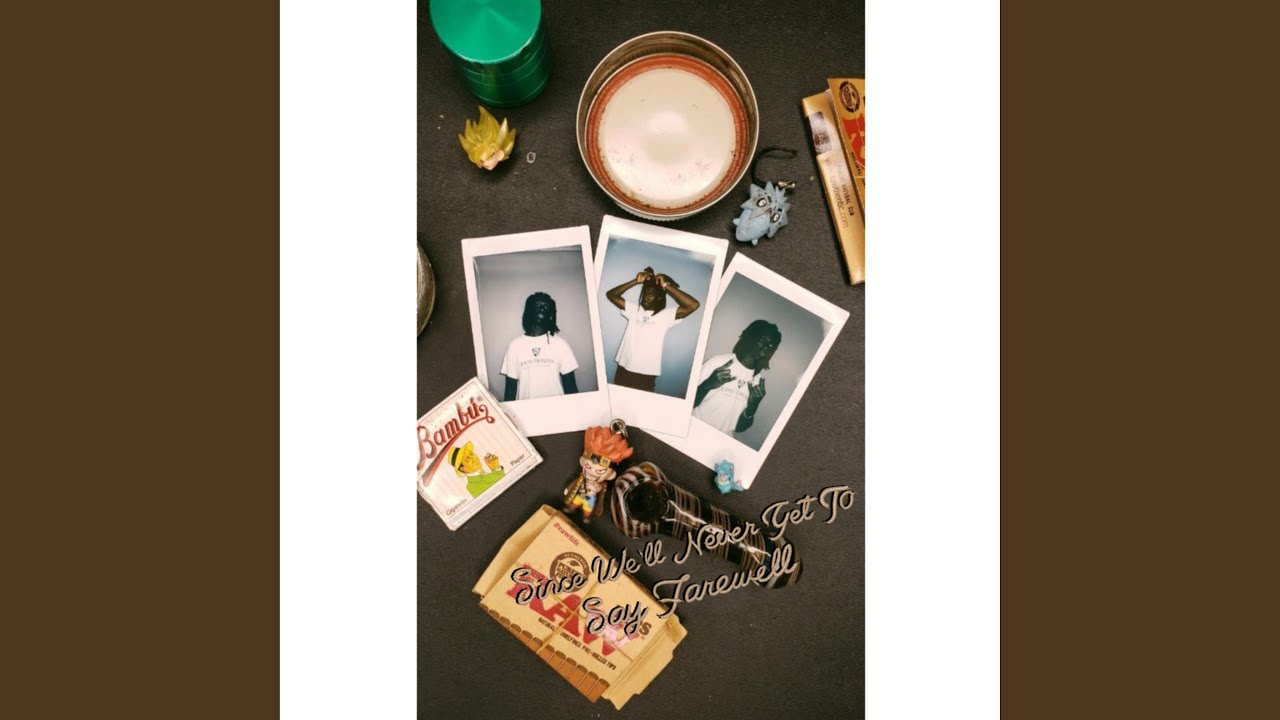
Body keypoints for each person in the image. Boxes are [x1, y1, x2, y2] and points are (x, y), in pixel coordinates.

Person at [604, 266, 701, 392]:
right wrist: (635, 281)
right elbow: (611, 295)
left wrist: (665, 285)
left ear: (659, 297)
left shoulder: (666, 315)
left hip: (646, 374)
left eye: (650, 295)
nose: (645, 297)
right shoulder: (634, 310)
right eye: (644, 293)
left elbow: (693, 305)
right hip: (624, 368)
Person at [693, 320, 782, 434]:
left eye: (771, 345)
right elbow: (688, 403)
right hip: (696, 428)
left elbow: (740, 428)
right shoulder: (718, 362)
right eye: (763, 341)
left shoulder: (758, 381)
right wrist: (708, 384)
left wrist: (753, 406)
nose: (766, 347)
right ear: (750, 338)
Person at [501, 292, 580, 401]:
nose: (542, 308)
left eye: (546, 306)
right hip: (526, 410)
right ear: (529, 311)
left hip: (558, 409)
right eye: (538, 305)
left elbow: (571, 388)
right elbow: (510, 391)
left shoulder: (561, 344)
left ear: (551, 315)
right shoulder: (514, 346)